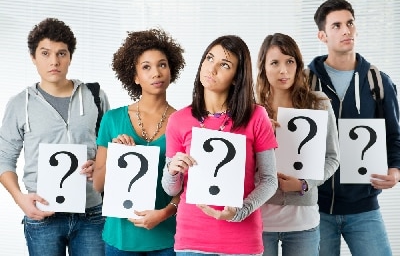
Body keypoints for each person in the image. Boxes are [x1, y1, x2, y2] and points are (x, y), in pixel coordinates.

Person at [0, 18, 109, 255]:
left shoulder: (95, 96)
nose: (54, 61)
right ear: (33, 57)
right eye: (45, 53)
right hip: (42, 214)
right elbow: (3, 158)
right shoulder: (20, 104)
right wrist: (20, 198)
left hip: (92, 213)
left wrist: (99, 165)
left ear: (70, 57)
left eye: (61, 53)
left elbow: (107, 150)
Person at [161, 34, 278, 255]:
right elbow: (171, 188)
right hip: (192, 241)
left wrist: (241, 211)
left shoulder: (256, 116)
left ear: (236, 77)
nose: (211, 68)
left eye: (224, 65)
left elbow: (269, 180)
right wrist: (172, 170)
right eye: (209, 58)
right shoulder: (178, 120)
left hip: (241, 241)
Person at [308, 0, 400, 256]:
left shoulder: (378, 81)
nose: (346, 30)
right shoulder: (305, 82)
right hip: (317, 208)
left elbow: (394, 136)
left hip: (364, 207)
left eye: (350, 23)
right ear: (322, 35)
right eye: (336, 25)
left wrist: (395, 172)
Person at [92, 28, 185, 255]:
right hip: (120, 238)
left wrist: (164, 213)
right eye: (146, 67)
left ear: (171, 70)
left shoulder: (184, 121)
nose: (156, 73)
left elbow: (191, 186)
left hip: (168, 238)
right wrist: (115, 154)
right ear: (134, 76)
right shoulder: (112, 119)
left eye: (162, 65)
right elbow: (97, 185)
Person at [255, 33, 340, 256]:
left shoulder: (318, 103)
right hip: (260, 222)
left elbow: (332, 157)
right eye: (274, 63)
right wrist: (260, 134)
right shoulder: (252, 110)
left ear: (298, 65)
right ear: (263, 67)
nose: (283, 70)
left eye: (289, 61)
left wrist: (304, 183)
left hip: (303, 223)